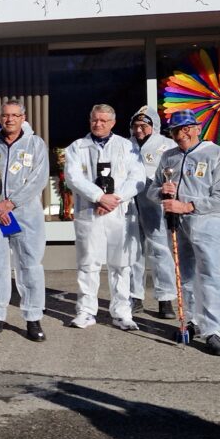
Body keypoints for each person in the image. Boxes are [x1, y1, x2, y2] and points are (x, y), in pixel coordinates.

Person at [147, 110, 220, 356]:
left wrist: (187, 206)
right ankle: (191, 319)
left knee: (211, 275)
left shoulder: (218, 155)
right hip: (176, 225)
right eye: (176, 130)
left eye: (186, 128)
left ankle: (214, 331)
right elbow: (152, 190)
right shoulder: (169, 157)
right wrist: (162, 192)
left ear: (198, 128)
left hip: (207, 225)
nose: (181, 134)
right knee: (184, 275)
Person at [0, 99, 49, 342]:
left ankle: (33, 317)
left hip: (25, 215)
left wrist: (11, 203)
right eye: (5, 115)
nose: (10, 119)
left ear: (23, 118)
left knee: (30, 266)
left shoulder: (35, 144)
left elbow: (38, 179)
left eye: (15, 115)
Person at [64, 104, 146, 331]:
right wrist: (99, 197)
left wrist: (114, 199)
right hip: (89, 213)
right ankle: (86, 311)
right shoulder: (77, 147)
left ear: (113, 123)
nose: (98, 124)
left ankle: (122, 313)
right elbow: (73, 177)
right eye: (94, 119)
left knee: (121, 265)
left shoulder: (127, 146)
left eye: (103, 120)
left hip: (119, 213)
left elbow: (137, 178)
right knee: (88, 263)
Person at [126, 106, 178, 319]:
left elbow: (176, 174)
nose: (139, 130)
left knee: (160, 250)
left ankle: (166, 298)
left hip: (154, 203)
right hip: (129, 204)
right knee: (132, 250)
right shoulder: (124, 145)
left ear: (154, 126)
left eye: (143, 126)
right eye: (135, 126)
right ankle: (134, 296)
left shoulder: (168, 146)